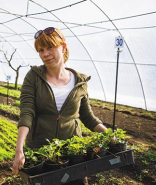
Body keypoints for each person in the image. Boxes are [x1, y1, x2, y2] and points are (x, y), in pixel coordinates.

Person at [12, 27, 108, 184]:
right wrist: (19, 149)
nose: (45, 54)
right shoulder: (34, 77)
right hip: (42, 152)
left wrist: (110, 136)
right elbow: (27, 113)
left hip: (73, 152)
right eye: (41, 50)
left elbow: (87, 116)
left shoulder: (79, 81)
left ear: (63, 47)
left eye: (50, 47)